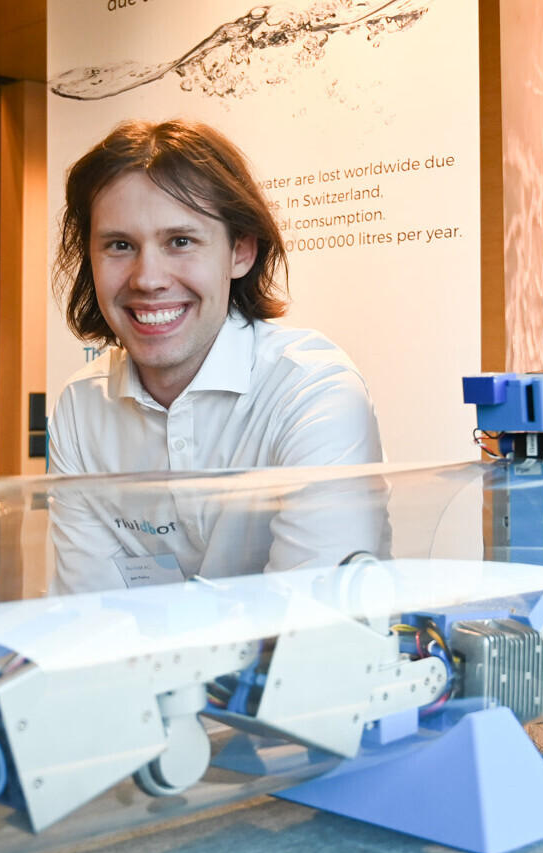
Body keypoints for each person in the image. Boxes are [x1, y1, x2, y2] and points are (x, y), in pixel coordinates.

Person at [44, 120, 387, 591]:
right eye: (120, 245)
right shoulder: (81, 407)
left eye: (180, 241)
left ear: (240, 251)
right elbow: (95, 610)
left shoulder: (312, 391)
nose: (148, 279)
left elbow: (308, 617)